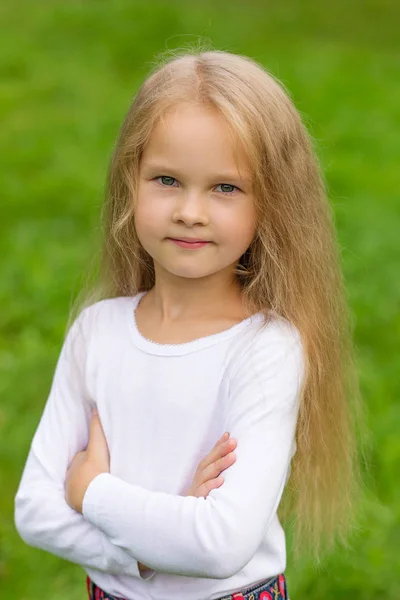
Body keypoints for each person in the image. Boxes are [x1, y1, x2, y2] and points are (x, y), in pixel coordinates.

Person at [14, 47, 365, 600]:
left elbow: (222, 544)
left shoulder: (264, 348)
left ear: (271, 203)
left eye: (225, 187)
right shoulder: (97, 332)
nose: (190, 211)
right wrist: (150, 552)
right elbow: (34, 509)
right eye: (167, 180)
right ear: (131, 180)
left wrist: (91, 492)